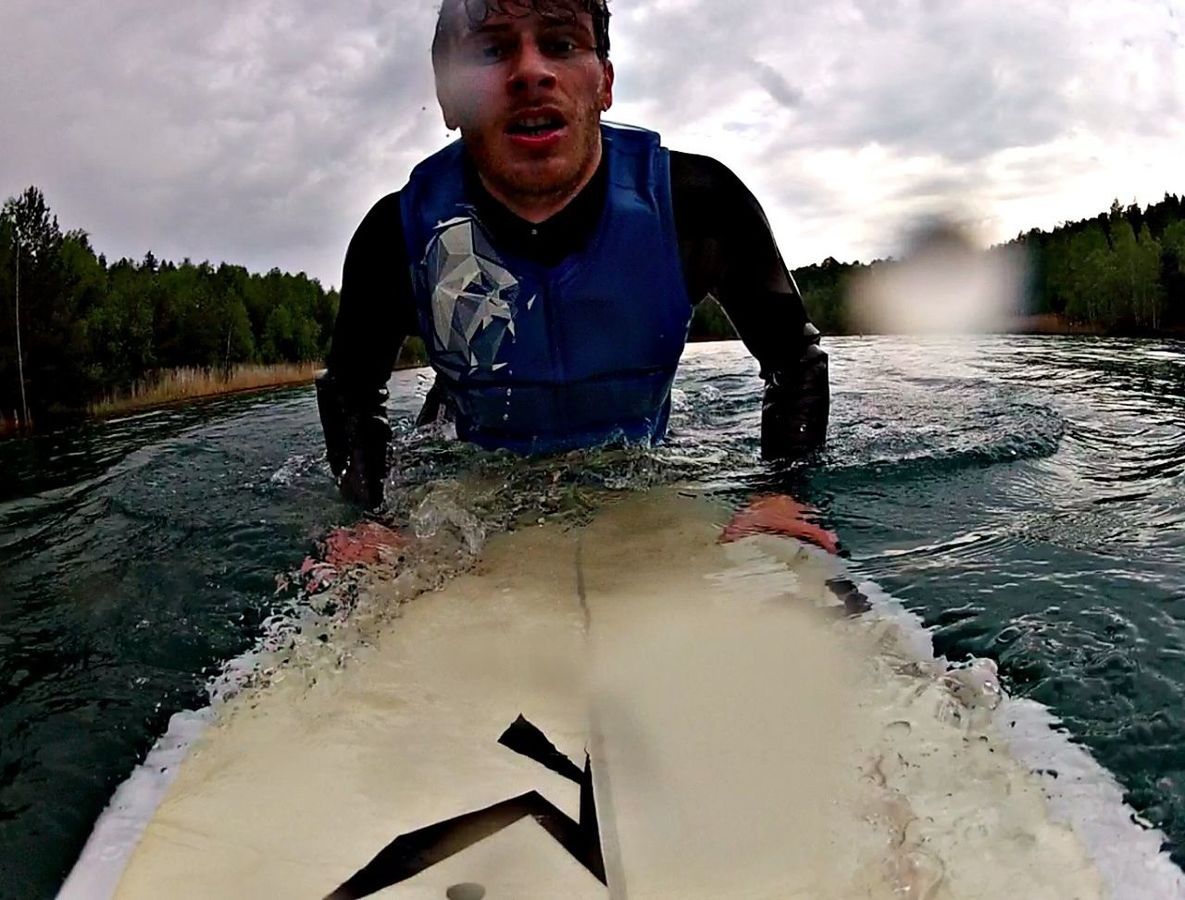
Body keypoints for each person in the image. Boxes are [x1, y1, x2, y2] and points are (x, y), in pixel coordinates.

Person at [317, 0, 830, 510]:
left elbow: (795, 361)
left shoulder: (699, 207)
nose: (530, 72)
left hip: (640, 455)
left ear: (605, 82)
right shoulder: (397, 240)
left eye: (561, 44)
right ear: (448, 98)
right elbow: (351, 393)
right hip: (466, 460)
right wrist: (374, 520)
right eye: (492, 50)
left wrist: (785, 497)